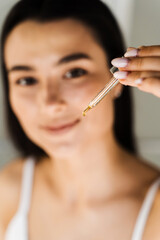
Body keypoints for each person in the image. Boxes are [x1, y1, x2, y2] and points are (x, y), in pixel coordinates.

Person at [0, 0, 159, 239]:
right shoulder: (8, 190)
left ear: (117, 80)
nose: (50, 103)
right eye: (26, 80)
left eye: (74, 72)